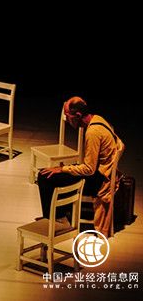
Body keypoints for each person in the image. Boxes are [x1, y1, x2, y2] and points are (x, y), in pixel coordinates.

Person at [37, 96, 121, 236]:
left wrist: (62, 169)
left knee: (44, 176)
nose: (66, 119)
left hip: (99, 180)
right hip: (102, 172)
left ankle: (56, 219)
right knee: (53, 173)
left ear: (77, 115)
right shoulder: (97, 119)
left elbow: (89, 169)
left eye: (67, 115)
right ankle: (59, 214)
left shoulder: (93, 133)